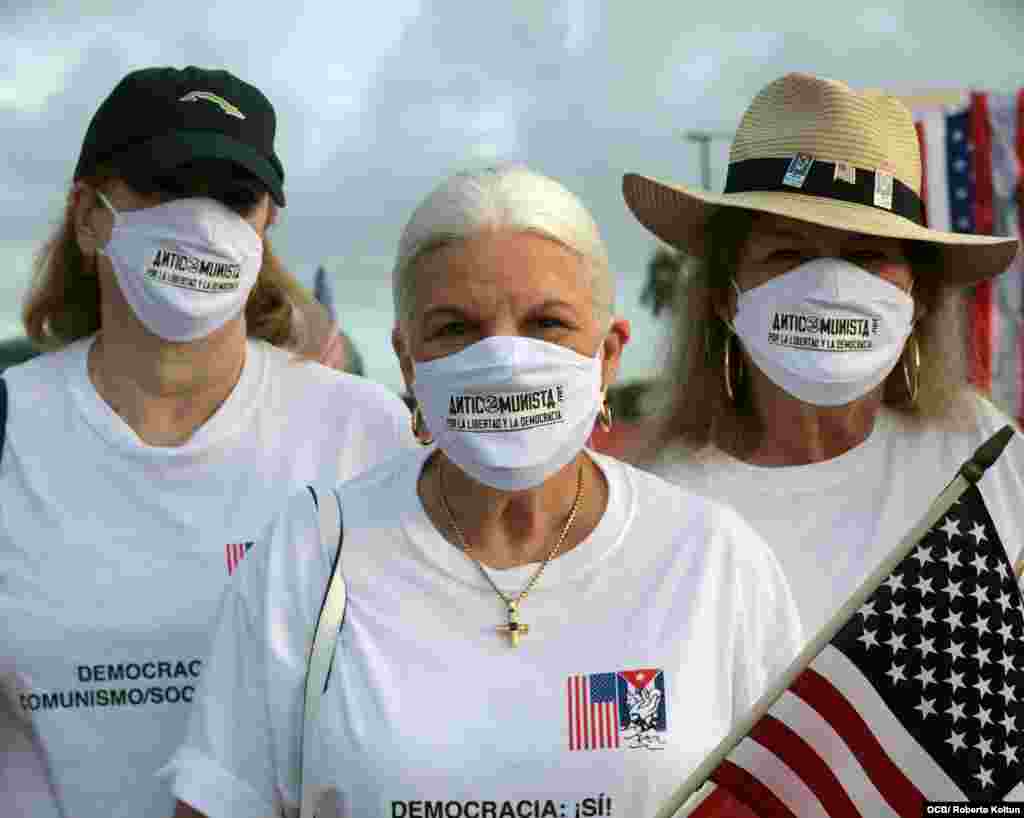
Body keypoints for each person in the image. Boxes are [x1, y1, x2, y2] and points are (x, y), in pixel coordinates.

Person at [166, 165, 803, 818]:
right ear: (408, 361)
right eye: (456, 329)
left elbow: (791, 796)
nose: (503, 359)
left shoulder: (710, 558)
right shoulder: (311, 553)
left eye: (547, 324)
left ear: (609, 356)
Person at [0, 65, 413, 818]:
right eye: (167, 187)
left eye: (232, 198)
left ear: (265, 228)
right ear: (89, 219)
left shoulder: (363, 431)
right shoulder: (9, 430)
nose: (201, 221)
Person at [622, 72, 1024, 638]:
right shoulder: (658, 504)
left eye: (866, 254)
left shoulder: (982, 457)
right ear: (722, 293)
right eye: (788, 252)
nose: (830, 285)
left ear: (921, 294)